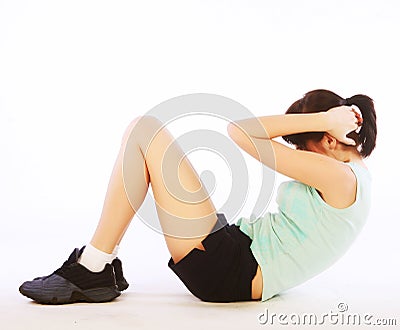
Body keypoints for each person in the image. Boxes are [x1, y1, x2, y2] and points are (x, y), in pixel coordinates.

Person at [19, 89, 377, 304]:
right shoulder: (351, 179)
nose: (302, 155)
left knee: (146, 129)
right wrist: (323, 121)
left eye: (305, 147)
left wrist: (324, 118)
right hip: (233, 252)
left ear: (331, 140)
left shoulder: (341, 178)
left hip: (229, 270)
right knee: (139, 131)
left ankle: (93, 267)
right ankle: (98, 266)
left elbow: (240, 132)